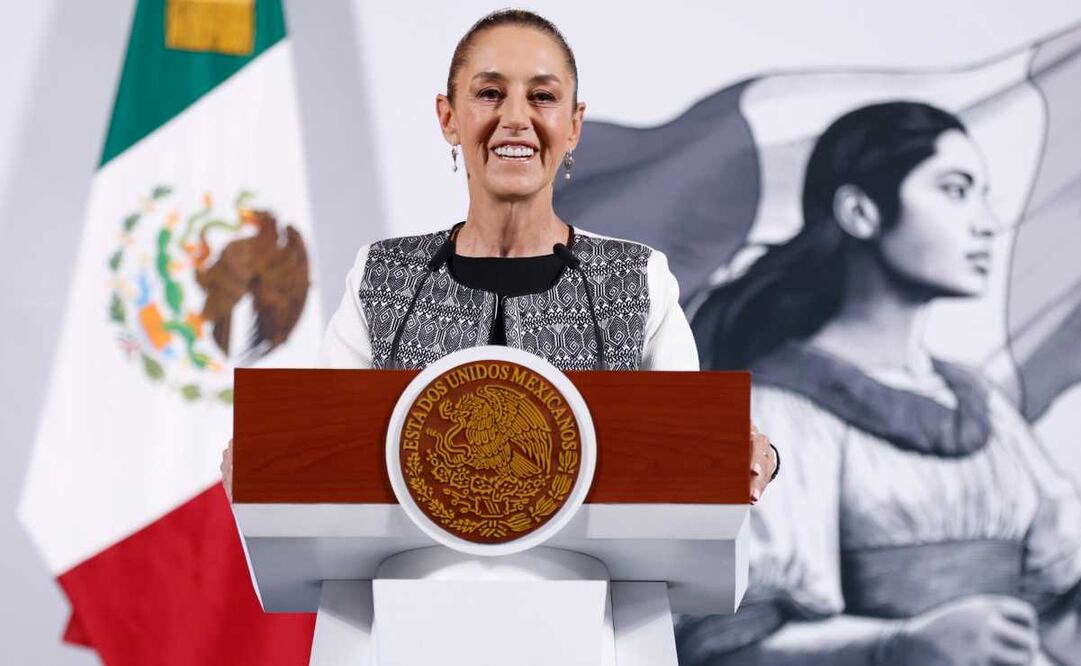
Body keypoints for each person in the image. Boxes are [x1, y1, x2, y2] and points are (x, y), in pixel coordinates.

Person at [222, 10, 778, 501]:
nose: (516, 117)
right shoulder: (383, 277)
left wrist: (753, 454)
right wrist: (264, 455)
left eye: (542, 96)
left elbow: (691, 447)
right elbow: (321, 442)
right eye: (489, 93)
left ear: (574, 124)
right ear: (448, 118)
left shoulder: (636, 279)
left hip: (591, 612)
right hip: (413, 609)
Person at [678, 101, 1081, 665]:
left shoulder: (980, 402)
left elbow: (1060, 608)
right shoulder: (779, 408)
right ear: (861, 211)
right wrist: (901, 645)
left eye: (983, 194)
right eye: (956, 190)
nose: (988, 222)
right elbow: (726, 644)